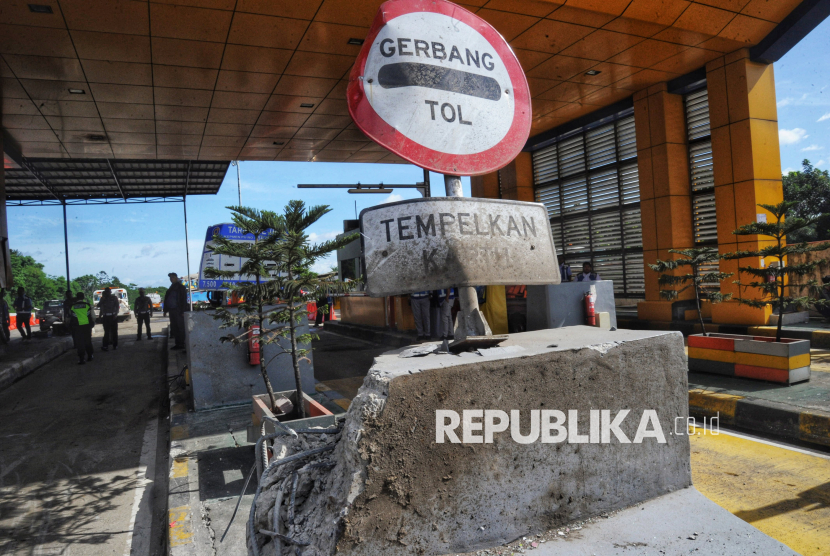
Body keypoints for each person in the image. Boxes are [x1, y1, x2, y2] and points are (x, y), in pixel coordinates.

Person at [164, 272, 188, 350]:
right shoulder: (171, 288)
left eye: (172, 277)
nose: (171, 279)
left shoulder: (181, 288)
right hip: (172, 310)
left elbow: (184, 300)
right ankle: (178, 344)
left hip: (178, 310)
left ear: (176, 278)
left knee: (180, 327)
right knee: (174, 327)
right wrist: (165, 310)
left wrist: (183, 311)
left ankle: (182, 344)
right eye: (170, 278)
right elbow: (167, 299)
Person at [69, 292, 94, 364]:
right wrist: (92, 324)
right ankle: (90, 356)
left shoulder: (72, 306)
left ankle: (82, 358)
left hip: (77, 326)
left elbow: (69, 317)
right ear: (83, 297)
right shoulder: (87, 305)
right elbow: (92, 316)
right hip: (87, 326)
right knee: (88, 341)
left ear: (77, 298)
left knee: (80, 342)